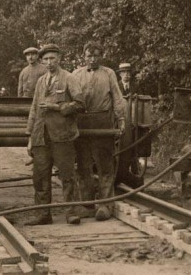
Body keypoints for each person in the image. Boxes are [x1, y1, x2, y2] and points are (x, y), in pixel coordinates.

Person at [25, 44, 85, 225]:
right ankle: (43, 214)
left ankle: (71, 212)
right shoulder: (42, 81)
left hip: (63, 135)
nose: (49, 62)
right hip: (41, 136)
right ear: (42, 61)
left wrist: (57, 107)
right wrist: (30, 136)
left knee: (67, 175)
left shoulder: (69, 79)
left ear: (59, 58)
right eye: (46, 59)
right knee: (40, 176)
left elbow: (80, 104)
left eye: (52, 58)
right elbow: (34, 109)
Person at [72, 42, 126, 221]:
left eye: (96, 55)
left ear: (100, 56)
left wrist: (121, 119)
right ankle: (87, 205)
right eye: (89, 56)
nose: (92, 59)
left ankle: (105, 205)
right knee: (83, 165)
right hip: (82, 122)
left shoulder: (109, 73)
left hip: (102, 121)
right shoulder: (76, 74)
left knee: (105, 165)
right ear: (84, 56)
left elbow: (117, 98)